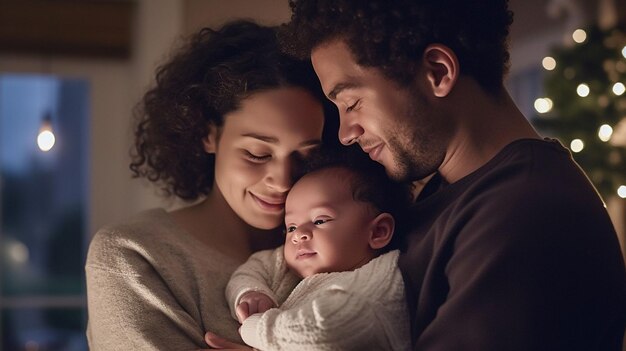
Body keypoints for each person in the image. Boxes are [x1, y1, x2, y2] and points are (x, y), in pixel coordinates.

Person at [281, 1, 626, 350]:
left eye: (352, 102)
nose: (345, 133)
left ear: (438, 72)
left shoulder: (525, 212)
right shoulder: (452, 191)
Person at [85, 20, 333, 350]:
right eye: (257, 153)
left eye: (305, 157)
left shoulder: (342, 242)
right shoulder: (135, 255)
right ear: (208, 134)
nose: (283, 180)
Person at [224, 147, 412, 350]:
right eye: (291, 227)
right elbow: (250, 270)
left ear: (378, 232)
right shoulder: (289, 262)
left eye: (320, 220)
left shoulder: (379, 281)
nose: (298, 235)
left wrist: (253, 327)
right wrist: (251, 294)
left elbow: (322, 332)